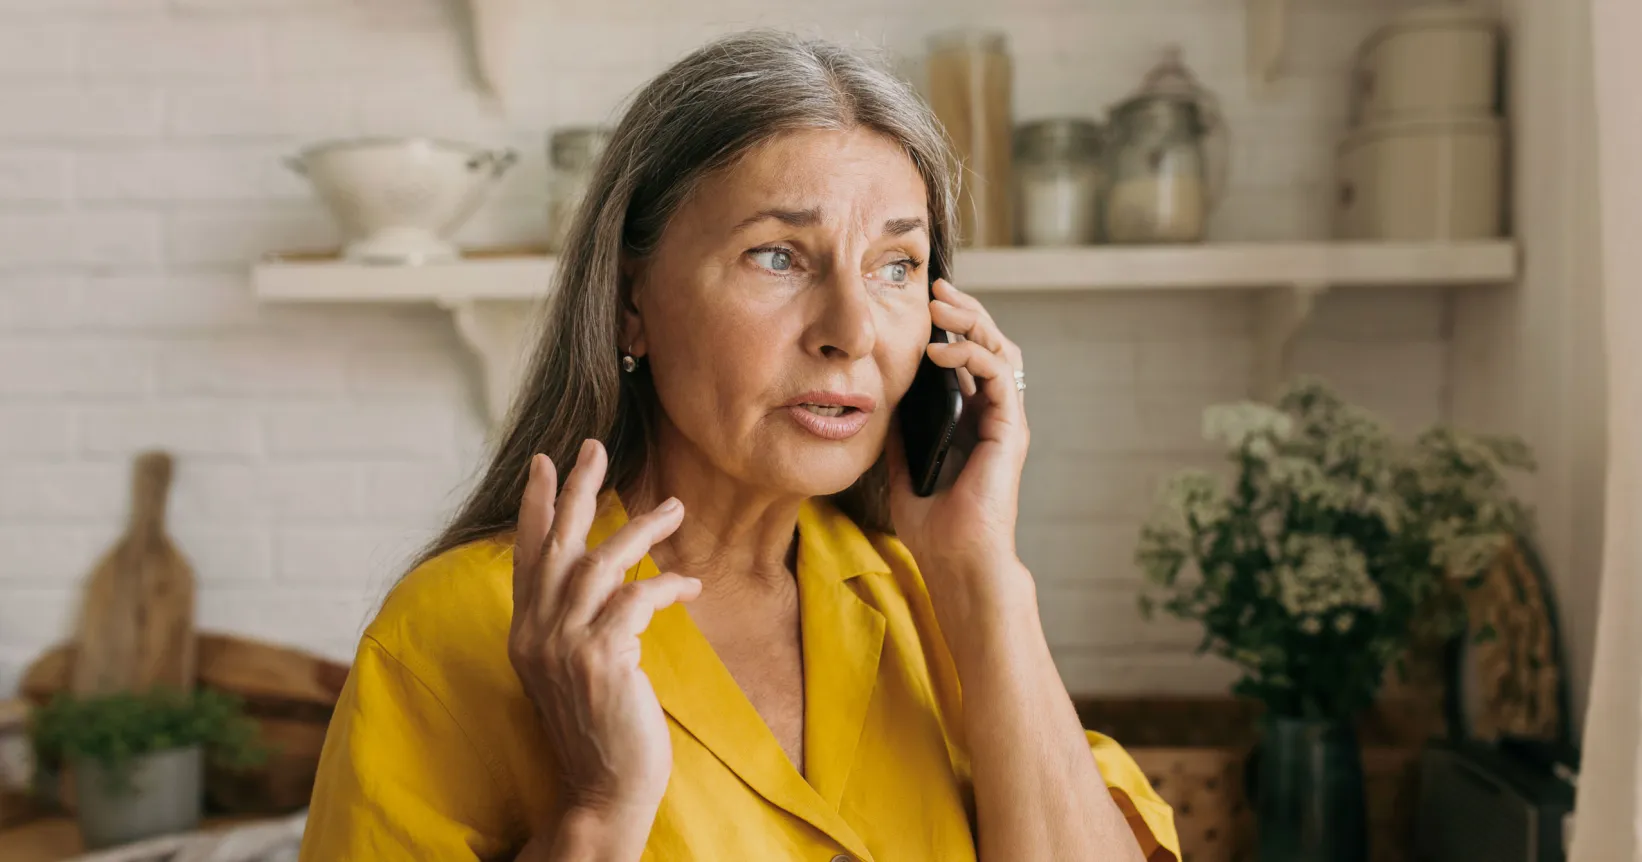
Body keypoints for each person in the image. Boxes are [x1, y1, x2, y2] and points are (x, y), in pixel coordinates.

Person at [300, 30, 1179, 862]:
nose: (851, 329)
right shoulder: (454, 635)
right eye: (778, 257)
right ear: (629, 301)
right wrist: (599, 814)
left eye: (896, 267)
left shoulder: (938, 608)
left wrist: (982, 572)